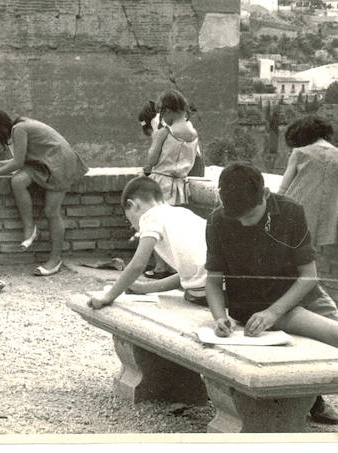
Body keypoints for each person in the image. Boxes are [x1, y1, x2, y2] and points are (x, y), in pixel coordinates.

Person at [205, 162, 338, 425]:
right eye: (237, 218)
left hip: (300, 293)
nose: (243, 223)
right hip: (257, 305)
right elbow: (212, 281)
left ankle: (312, 397)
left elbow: (309, 276)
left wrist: (274, 311)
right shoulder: (217, 219)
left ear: (265, 194)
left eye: (249, 215)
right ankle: (310, 399)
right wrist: (219, 316)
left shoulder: (291, 211)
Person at [0, 111, 88, 276]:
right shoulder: (19, 127)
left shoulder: (19, 129)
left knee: (51, 211)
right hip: (47, 162)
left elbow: (18, 163)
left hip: (59, 163)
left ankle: (55, 260)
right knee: (18, 181)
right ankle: (30, 228)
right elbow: (23, 159)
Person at [88, 176, 208, 309]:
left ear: (133, 205)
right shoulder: (183, 213)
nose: (134, 226)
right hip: (222, 287)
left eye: (130, 219)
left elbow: (138, 265)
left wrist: (108, 296)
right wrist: (144, 288)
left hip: (204, 294)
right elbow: (192, 275)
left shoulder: (150, 218)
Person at [278, 116, 338, 303]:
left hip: (298, 213)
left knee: (295, 265)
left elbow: (284, 188)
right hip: (329, 219)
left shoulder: (300, 153)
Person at [143, 89, 198, 206]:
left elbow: (151, 160)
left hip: (161, 185)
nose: (162, 119)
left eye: (161, 114)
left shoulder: (164, 132)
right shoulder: (193, 134)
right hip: (180, 188)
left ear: (167, 111)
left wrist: (155, 136)